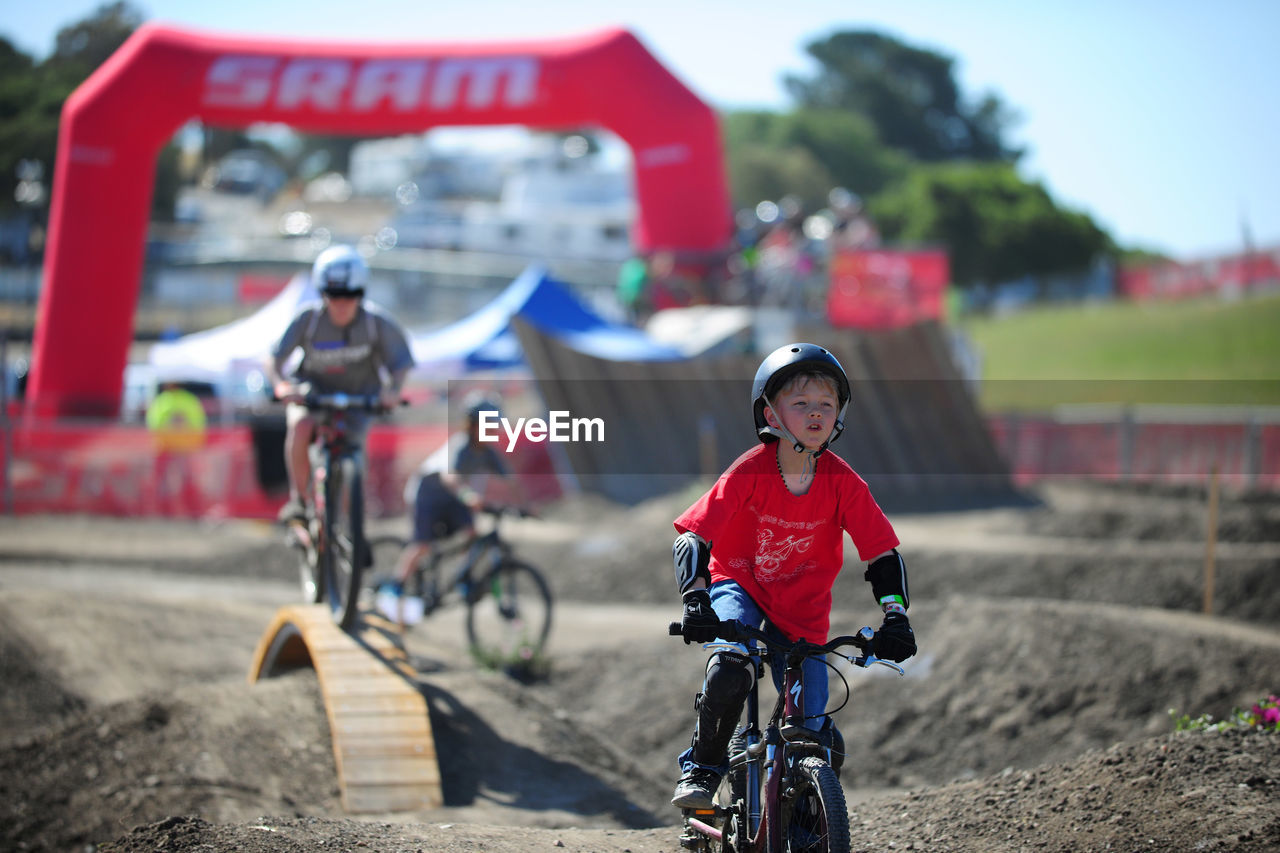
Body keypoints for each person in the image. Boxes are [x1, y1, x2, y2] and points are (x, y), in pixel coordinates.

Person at [669, 342, 918, 809]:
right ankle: (703, 765)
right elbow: (694, 537)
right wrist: (696, 601)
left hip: (802, 609)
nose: (816, 413)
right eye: (801, 403)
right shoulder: (751, 470)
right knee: (729, 668)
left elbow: (883, 555)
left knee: (812, 734)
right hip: (738, 585)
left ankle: (803, 817)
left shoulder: (844, 483)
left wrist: (896, 616)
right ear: (771, 413)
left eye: (827, 403)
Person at [267, 244, 415, 524]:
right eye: (335, 295)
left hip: (360, 399)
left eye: (351, 295)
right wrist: (281, 385)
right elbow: (274, 359)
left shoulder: (377, 323)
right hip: (312, 394)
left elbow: (401, 364)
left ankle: (351, 530)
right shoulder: (307, 320)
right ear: (322, 293)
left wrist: (393, 391)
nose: (343, 303)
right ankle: (298, 500)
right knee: (301, 425)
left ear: (362, 294)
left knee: (355, 461)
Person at [378, 390, 528, 623]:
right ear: (472, 425)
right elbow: (451, 477)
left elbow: (512, 481)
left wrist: (527, 506)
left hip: (455, 498)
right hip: (429, 493)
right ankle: (396, 585)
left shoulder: (488, 453)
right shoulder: (460, 447)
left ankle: (463, 579)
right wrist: (469, 496)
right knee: (423, 544)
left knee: (472, 535)